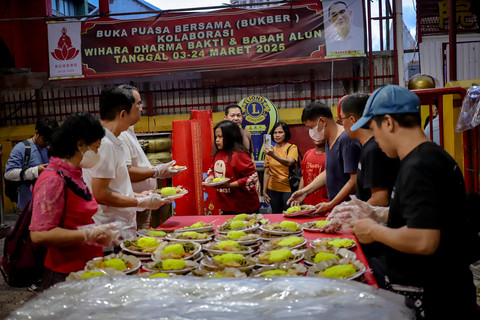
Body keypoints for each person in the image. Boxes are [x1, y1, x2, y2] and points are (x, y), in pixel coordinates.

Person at [349, 85, 477, 319]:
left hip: (436, 299)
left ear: (388, 122)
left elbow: (423, 239)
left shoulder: (420, 166)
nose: (374, 137)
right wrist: (377, 214)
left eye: (373, 127)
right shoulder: (427, 156)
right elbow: (430, 212)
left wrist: (374, 231)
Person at [29, 112, 118, 290]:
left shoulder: (74, 174)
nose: (98, 153)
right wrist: (88, 234)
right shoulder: (53, 180)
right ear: (80, 145)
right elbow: (39, 235)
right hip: (64, 275)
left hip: (84, 270)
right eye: (96, 148)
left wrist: (97, 235)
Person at [82, 86, 169, 242]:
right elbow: (100, 194)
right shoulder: (105, 144)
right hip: (111, 230)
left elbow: (114, 186)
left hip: (120, 227)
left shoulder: (113, 140)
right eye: (137, 105)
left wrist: (137, 195)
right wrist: (139, 201)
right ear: (123, 114)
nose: (141, 109)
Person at [338, 93, 399, 288]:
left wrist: (349, 213)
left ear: (353, 120)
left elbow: (380, 199)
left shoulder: (374, 150)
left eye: (342, 119)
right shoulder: (367, 148)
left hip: (381, 242)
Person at [117, 85, 179, 230]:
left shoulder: (128, 130)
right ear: (125, 109)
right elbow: (126, 173)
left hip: (139, 200)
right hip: (131, 206)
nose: (141, 108)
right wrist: (156, 172)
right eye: (138, 104)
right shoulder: (120, 135)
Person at [288, 101, 361, 215]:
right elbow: (330, 171)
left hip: (349, 211)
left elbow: (354, 180)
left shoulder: (346, 140)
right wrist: (305, 191)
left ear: (322, 121)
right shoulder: (328, 141)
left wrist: (332, 204)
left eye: (311, 128)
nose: (310, 133)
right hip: (337, 209)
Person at [205, 120, 260, 215]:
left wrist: (229, 185)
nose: (217, 140)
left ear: (230, 137)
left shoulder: (240, 155)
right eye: (216, 137)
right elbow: (212, 169)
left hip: (244, 207)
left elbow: (252, 177)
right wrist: (210, 177)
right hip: (226, 204)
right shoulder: (218, 154)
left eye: (220, 137)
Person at [4, 117, 59, 211]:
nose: (47, 143)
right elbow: (8, 174)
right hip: (29, 207)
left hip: (49, 205)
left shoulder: (50, 147)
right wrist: (35, 171)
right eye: (45, 140)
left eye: (50, 141)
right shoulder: (21, 148)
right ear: (37, 132)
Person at [263, 122, 299, 213]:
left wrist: (273, 155)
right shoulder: (270, 150)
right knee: (276, 215)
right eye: (275, 133)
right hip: (272, 189)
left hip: (288, 189)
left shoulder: (292, 147)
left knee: (289, 214)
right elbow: (267, 172)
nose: (277, 135)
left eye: (280, 132)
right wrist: (264, 191)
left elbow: (289, 162)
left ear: (285, 133)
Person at [299, 138, 328, 205]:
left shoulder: (331, 156)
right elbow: (303, 176)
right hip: (307, 203)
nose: (317, 136)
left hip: (324, 204)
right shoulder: (308, 153)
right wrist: (300, 194)